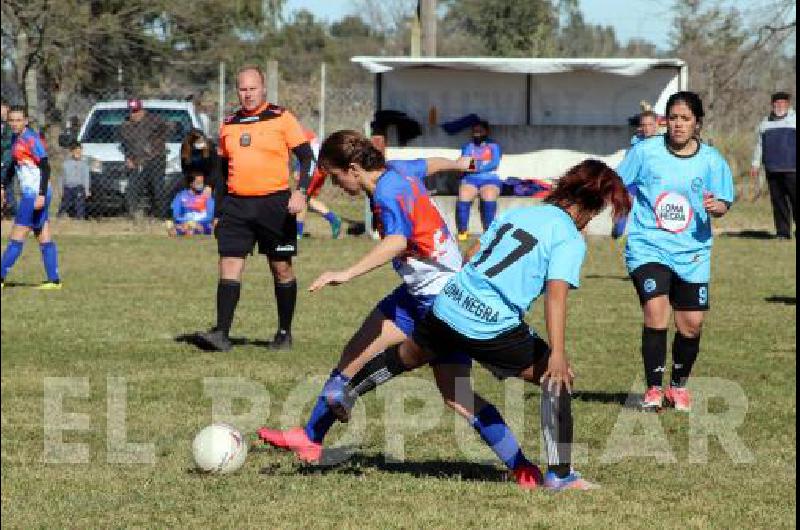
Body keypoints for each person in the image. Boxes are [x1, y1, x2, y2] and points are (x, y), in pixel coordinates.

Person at [317, 159, 632, 490]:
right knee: (559, 381)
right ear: (591, 207)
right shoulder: (568, 238)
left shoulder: (521, 213)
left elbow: (471, 254)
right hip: (491, 324)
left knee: (407, 356)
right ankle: (561, 475)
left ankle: (349, 391)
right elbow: (556, 297)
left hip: (450, 302)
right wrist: (557, 353)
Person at [256, 130, 544, 489]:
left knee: (455, 395)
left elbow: (396, 242)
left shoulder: (387, 196)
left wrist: (346, 273)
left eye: (335, 176)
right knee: (356, 354)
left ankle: (522, 467)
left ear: (354, 168)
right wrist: (457, 165)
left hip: (442, 303)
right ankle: (311, 438)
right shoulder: (396, 170)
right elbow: (429, 164)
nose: (335, 183)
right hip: (418, 292)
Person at [617, 91, 734, 411]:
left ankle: (678, 387)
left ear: (697, 123)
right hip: (649, 245)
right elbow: (617, 183)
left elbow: (724, 202)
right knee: (656, 314)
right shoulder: (645, 152)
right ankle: (653, 388)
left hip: (692, 251)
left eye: (685, 119)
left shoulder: (712, 160)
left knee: (691, 324)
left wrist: (717, 207)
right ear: (665, 121)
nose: (678, 125)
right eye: (673, 118)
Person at [192, 65, 315, 352]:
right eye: (243, 89)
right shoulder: (229, 124)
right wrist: (218, 213)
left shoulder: (282, 118)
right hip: (236, 205)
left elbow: (308, 159)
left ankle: (284, 333)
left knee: (281, 268)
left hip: (275, 204)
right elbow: (220, 174)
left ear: (263, 89)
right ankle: (222, 334)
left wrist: (302, 192)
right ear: (237, 91)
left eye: (253, 88)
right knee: (229, 264)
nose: (247, 94)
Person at [1, 105, 62, 289]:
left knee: (17, 236)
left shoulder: (31, 139)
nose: (14, 123)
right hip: (33, 194)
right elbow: (13, 167)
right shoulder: (15, 138)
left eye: (18, 120)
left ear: (26, 121)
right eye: (11, 120)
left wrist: (42, 195)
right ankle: (54, 280)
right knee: (43, 236)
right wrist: (3, 186)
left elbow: (45, 167)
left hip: (34, 194)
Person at [750, 91, 796, 239]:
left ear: (788, 105)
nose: (779, 105)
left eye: (783, 103)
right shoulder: (765, 123)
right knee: (778, 202)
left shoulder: (794, 120)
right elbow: (759, 146)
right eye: (776, 103)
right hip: (772, 169)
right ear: (772, 105)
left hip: (793, 169)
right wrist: (755, 164)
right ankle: (783, 233)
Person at [119, 98, 171, 218]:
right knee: (132, 189)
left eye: (137, 111)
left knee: (158, 189)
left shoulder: (154, 120)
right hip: (138, 162)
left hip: (155, 159)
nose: (134, 114)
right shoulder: (125, 126)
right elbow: (125, 145)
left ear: (142, 110)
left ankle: (161, 217)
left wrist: (156, 143)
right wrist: (129, 158)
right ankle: (133, 215)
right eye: (132, 111)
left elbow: (169, 128)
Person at [613, 110, 660, 239]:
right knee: (626, 203)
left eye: (650, 125)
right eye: (643, 125)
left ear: (656, 125)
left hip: (652, 184)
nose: (646, 128)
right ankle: (618, 231)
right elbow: (627, 167)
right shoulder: (637, 144)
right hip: (634, 181)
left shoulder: (663, 145)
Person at [455, 121, 502, 241]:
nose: (477, 133)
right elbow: (465, 162)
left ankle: (489, 231)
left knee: (489, 195)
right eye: (475, 130)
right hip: (470, 179)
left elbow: (494, 163)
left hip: (490, 179)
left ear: (486, 131)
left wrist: (476, 167)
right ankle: (462, 231)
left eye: (480, 130)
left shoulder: (494, 146)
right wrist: (470, 167)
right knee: (463, 195)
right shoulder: (468, 146)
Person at [294, 129, 342, 240]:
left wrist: (298, 168)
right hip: (320, 168)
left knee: (302, 198)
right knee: (307, 200)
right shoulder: (308, 133)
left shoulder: (298, 133)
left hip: (313, 168)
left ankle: (298, 234)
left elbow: (304, 151)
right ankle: (333, 220)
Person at [57, 142, 91, 219]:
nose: (78, 154)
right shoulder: (65, 164)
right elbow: (61, 177)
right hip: (67, 187)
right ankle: (60, 215)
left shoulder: (84, 164)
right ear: (71, 152)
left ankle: (80, 216)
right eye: (76, 152)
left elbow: (86, 178)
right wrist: (60, 189)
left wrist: (86, 189)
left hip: (79, 187)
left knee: (79, 203)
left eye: (80, 152)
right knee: (65, 202)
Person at [1, 100, 18, 218]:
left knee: (7, 185)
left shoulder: (12, 125)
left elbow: (9, 143)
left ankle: (11, 210)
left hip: (8, 160)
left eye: (2, 108)